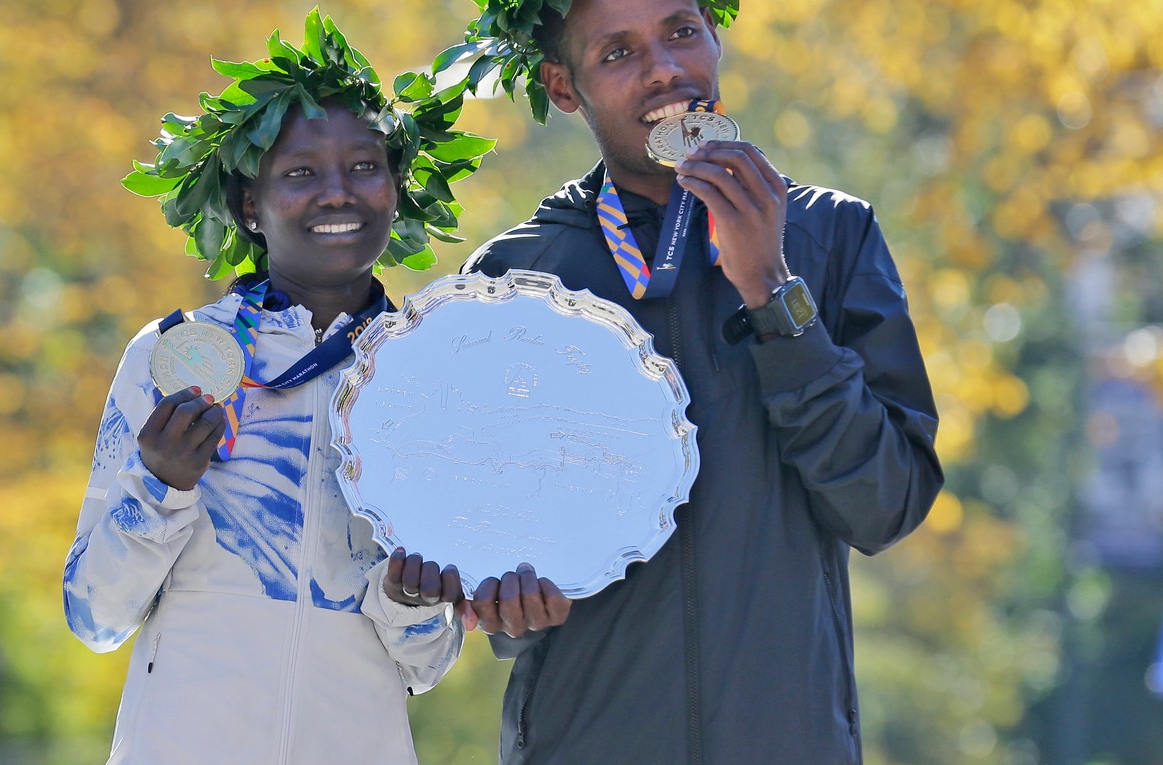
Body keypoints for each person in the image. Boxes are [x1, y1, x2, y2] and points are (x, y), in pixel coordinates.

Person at [451, 0, 945, 762]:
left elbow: (887, 503)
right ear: (562, 86)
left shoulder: (829, 235)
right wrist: (504, 601)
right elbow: (484, 541)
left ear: (716, 37)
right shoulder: (515, 279)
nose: (665, 70)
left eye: (682, 31)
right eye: (617, 53)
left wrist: (775, 296)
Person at [61, 11, 493, 764]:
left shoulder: (430, 380)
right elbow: (94, 615)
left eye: (365, 166)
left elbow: (427, 664)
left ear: (397, 191)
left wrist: (412, 603)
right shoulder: (172, 358)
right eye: (299, 173)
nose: (338, 193)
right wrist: (159, 484)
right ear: (249, 207)